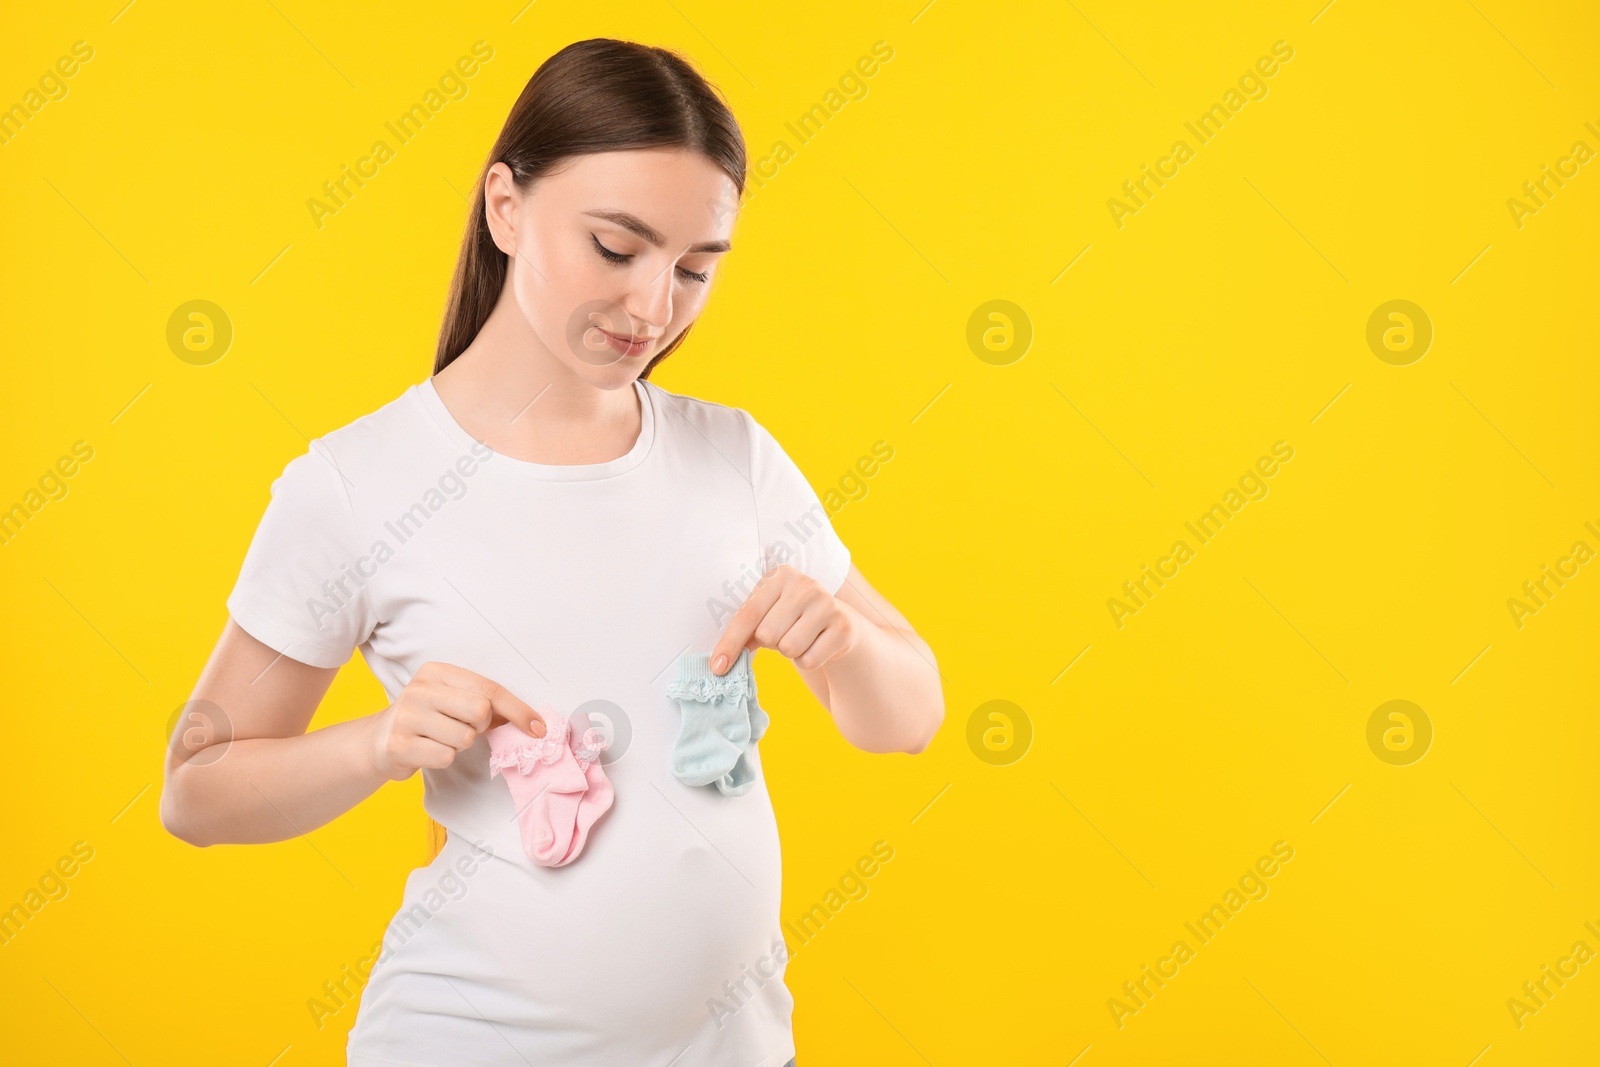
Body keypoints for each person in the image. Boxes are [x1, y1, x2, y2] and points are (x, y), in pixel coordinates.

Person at [159, 37, 942, 1067]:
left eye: (695, 268)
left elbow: (908, 721)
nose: (654, 308)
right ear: (505, 207)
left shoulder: (733, 457)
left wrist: (841, 641)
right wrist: (382, 742)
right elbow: (195, 788)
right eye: (617, 249)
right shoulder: (357, 485)